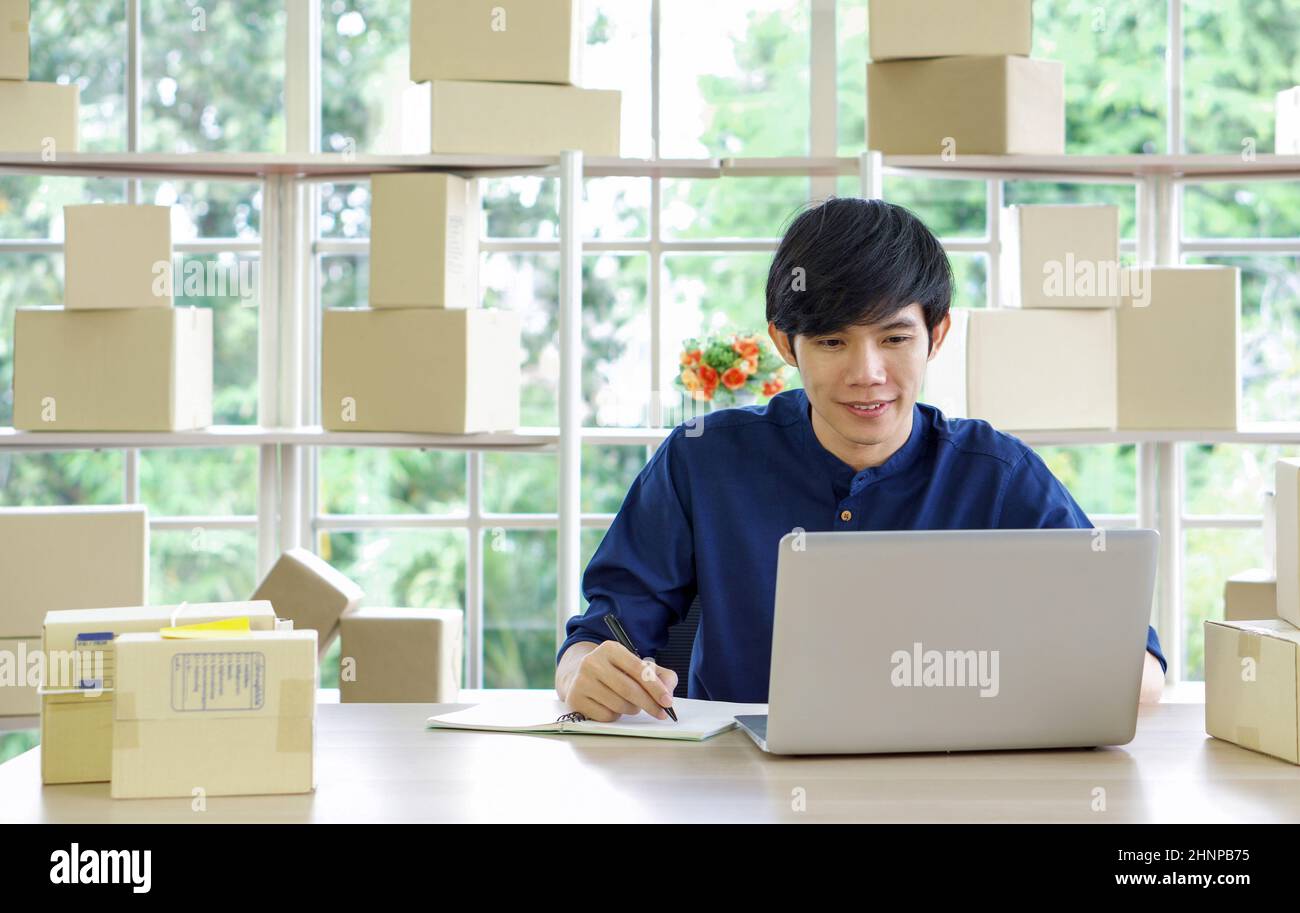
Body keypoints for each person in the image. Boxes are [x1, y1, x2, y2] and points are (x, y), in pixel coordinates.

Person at [556, 197, 1167, 722]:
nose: (867, 374)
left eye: (895, 339)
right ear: (783, 343)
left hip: (950, 787)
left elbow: (1137, 669)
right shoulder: (703, 460)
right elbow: (602, 634)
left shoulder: (999, 477)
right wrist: (583, 672)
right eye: (831, 342)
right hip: (738, 787)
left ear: (938, 335)